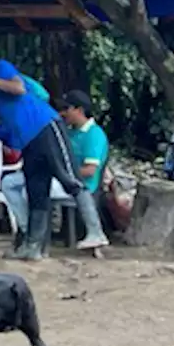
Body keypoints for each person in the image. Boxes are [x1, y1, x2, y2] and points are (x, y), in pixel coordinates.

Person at [0, 55, 84, 261]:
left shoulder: (0, 68)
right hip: (27, 140)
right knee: (36, 190)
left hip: (43, 125)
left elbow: (19, 89)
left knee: (68, 177)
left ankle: (96, 232)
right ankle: (34, 246)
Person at [56, 90, 111, 252]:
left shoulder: (94, 135)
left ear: (79, 110)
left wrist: (61, 174)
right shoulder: (70, 131)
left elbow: (90, 170)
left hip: (81, 185)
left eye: (66, 109)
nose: (62, 113)